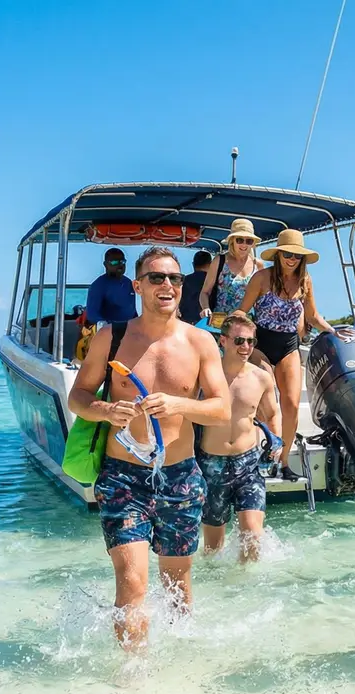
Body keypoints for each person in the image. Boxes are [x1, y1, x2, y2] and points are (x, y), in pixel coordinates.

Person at [68, 246, 230, 652]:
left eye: (174, 278)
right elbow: (79, 396)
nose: (168, 285)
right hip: (123, 477)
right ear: (138, 286)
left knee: (177, 586)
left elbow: (221, 408)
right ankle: (132, 677)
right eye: (157, 277)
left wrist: (180, 404)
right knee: (133, 582)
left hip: (180, 477)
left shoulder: (200, 342)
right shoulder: (112, 337)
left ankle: (181, 667)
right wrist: (105, 410)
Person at [237, 229, 354, 480]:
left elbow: (312, 315)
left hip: (288, 344)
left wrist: (333, 331)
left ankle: (284, 461)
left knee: (290, 404)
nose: (292, 259)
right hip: (261, 343)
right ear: (278, 255)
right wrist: (233, 335)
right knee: (266, 399)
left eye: (297, 255)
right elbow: (242, 312)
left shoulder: (305, 281)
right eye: (287, 254)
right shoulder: (261, 278)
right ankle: (262, 450)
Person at [198, 311, 282, 562]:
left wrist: (276, 440)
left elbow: (272, 413)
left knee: (253, 538)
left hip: (248, 464)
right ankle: (218, 589)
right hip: (211, 464)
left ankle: (246, 590)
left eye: (250, 342)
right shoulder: (204, 376)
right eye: (239, 341)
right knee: (213, 548)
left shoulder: (261, 378)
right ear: (222, 341)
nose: (245, 347)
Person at [198, 218, 261, 321]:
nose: (244, 245)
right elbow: (204, 292)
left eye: (249, 241)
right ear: (232, 241)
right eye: (239, 240)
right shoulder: (219, 261)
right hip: (220, 325)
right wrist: (205, 308)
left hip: (247, 326)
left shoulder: (258, 265)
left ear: (253, 244)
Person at [85, 247, 139, 326]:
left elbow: (132, 311)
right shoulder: (98, 285)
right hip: (109, 332)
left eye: (122, 262)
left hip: (129, 331)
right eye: (114, 262)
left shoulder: (128, 283)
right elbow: (92, 315)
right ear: (105, 264)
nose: (120, 265)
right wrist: (105, 325)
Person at [179, 250, 213, 322]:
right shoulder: (214, 282)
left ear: (193, 264)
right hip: (206, 323)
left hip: (185, 323)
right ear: (211, 264)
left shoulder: (182, 281)